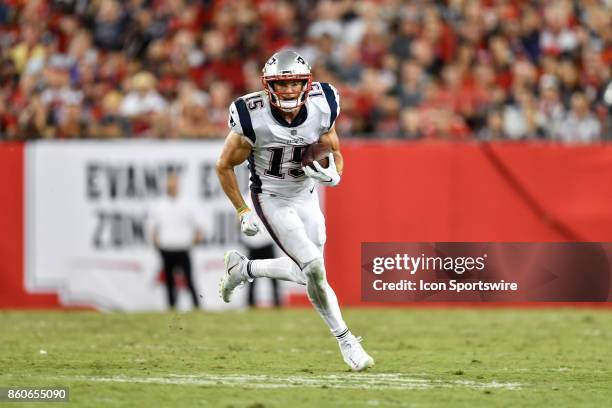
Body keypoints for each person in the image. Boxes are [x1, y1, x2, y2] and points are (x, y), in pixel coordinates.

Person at [215, 50, 374, 371]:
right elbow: (223, 166)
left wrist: (336, 173)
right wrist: (242, 209)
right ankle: (347, 341)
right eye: (281, 84)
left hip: (306, 195)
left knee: (308, 272)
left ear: (307, 83)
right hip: (271, 197)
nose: (288, 91)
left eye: (295, 83)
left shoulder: (323, 103)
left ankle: (243, 270)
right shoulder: (251, 115)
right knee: (314, 268)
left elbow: (334, 148)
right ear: (267, 85)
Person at [151, 171, 202, 309]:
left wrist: (194, 240)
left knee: (189, 280)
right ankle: (171, 307)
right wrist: (156, 243)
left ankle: (197, 306)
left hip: (182, 248)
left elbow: (198, 226)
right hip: (166, 249)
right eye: (170, 184)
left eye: (174, 184)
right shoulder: (160, 205)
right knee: (169, 282)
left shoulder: (186, 204)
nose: (172, 186)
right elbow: (154, 228)